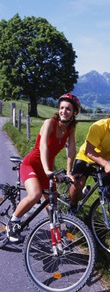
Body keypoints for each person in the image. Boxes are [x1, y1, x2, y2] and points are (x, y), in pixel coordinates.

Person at [6, 93, 81, 243]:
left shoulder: (71, 127)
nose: (63, 111)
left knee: (53, 203)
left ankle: (56, 237)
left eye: (68, 109)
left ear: (74, 112)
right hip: (31, 164)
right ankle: (13, 222)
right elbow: (43, 147)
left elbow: (71, 149)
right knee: (35, 195)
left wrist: (68, 171)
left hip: (46, 168)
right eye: (61, 108)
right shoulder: (49, 123)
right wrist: (48, 170)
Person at [68, 101, 110, 213]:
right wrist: (107, 164)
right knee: (78, 183)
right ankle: (72, 207)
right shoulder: (99, 126)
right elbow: (88, 151)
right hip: (85, 158)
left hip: (102, 162)